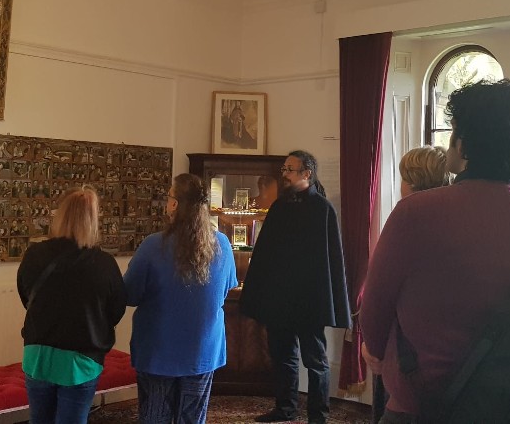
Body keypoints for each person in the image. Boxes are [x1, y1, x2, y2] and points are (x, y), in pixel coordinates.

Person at [360, 79, 510, 423]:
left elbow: (376, 302)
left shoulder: (416, 212)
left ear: (463, 143)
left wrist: (375, 351)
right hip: (498, 403)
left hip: (419, 402)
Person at [240, 150, 351, 424]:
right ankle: (285, 408)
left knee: (316, 362)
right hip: (280, 300)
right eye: (284, 169)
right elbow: (266, 254)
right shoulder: (279, 207)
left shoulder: (322, 209)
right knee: (283, 357)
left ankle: (318, 416)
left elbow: (330, 261)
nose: (285, 174)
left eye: (290, 169)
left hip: (310, 302)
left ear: (306, 173)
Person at [124, 173, 237, 424]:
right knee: (192, 418)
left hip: (157, 351)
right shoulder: (222, 244)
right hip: (202, 349)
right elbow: (226, 288)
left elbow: (129, 294)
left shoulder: (153, 246)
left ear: (174, 204)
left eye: (168, 197)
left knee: (155, 417)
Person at [17, 186, 127, 424]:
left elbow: (26, 297)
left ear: (61, 214)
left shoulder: (34, 254)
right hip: (81, 362)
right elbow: (116, 310)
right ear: (93, 220)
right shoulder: (104, 264)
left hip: (38, 356)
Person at [367, 145, 452, 424]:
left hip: (407, 347)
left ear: (412, 181)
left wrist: (374, 346)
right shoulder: (454, 215)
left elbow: (380, 291)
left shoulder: (409, 214)